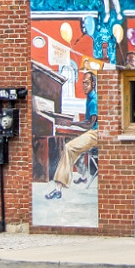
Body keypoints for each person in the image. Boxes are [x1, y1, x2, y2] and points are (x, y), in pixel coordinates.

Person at [45, 71, 98, 200]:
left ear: (93, 83)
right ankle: (83, 176)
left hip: (96, 134)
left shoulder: (94, 100)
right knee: (72, 147)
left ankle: (58, 189)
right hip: (92, 132)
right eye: (83, 83)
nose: (84, 85)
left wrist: (72, 123)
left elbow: (90, 124)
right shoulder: (90, 98)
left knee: (69, 147)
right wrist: (73, 124)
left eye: (87, 83)